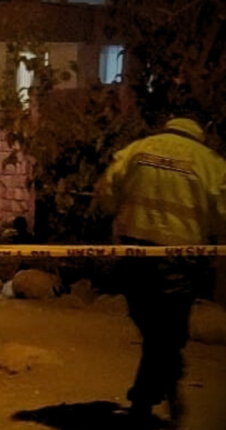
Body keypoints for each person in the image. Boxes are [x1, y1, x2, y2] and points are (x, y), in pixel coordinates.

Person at [96, 114, 226, 427]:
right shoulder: (210, 163)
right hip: (181, 255)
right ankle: (161, 381)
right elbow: (222, 212)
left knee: (148, 322)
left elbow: (107, 191)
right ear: (202, 131)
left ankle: (146, 395)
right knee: (167, 329)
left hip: (135, 250)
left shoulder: (138, 149)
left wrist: (117, 215)